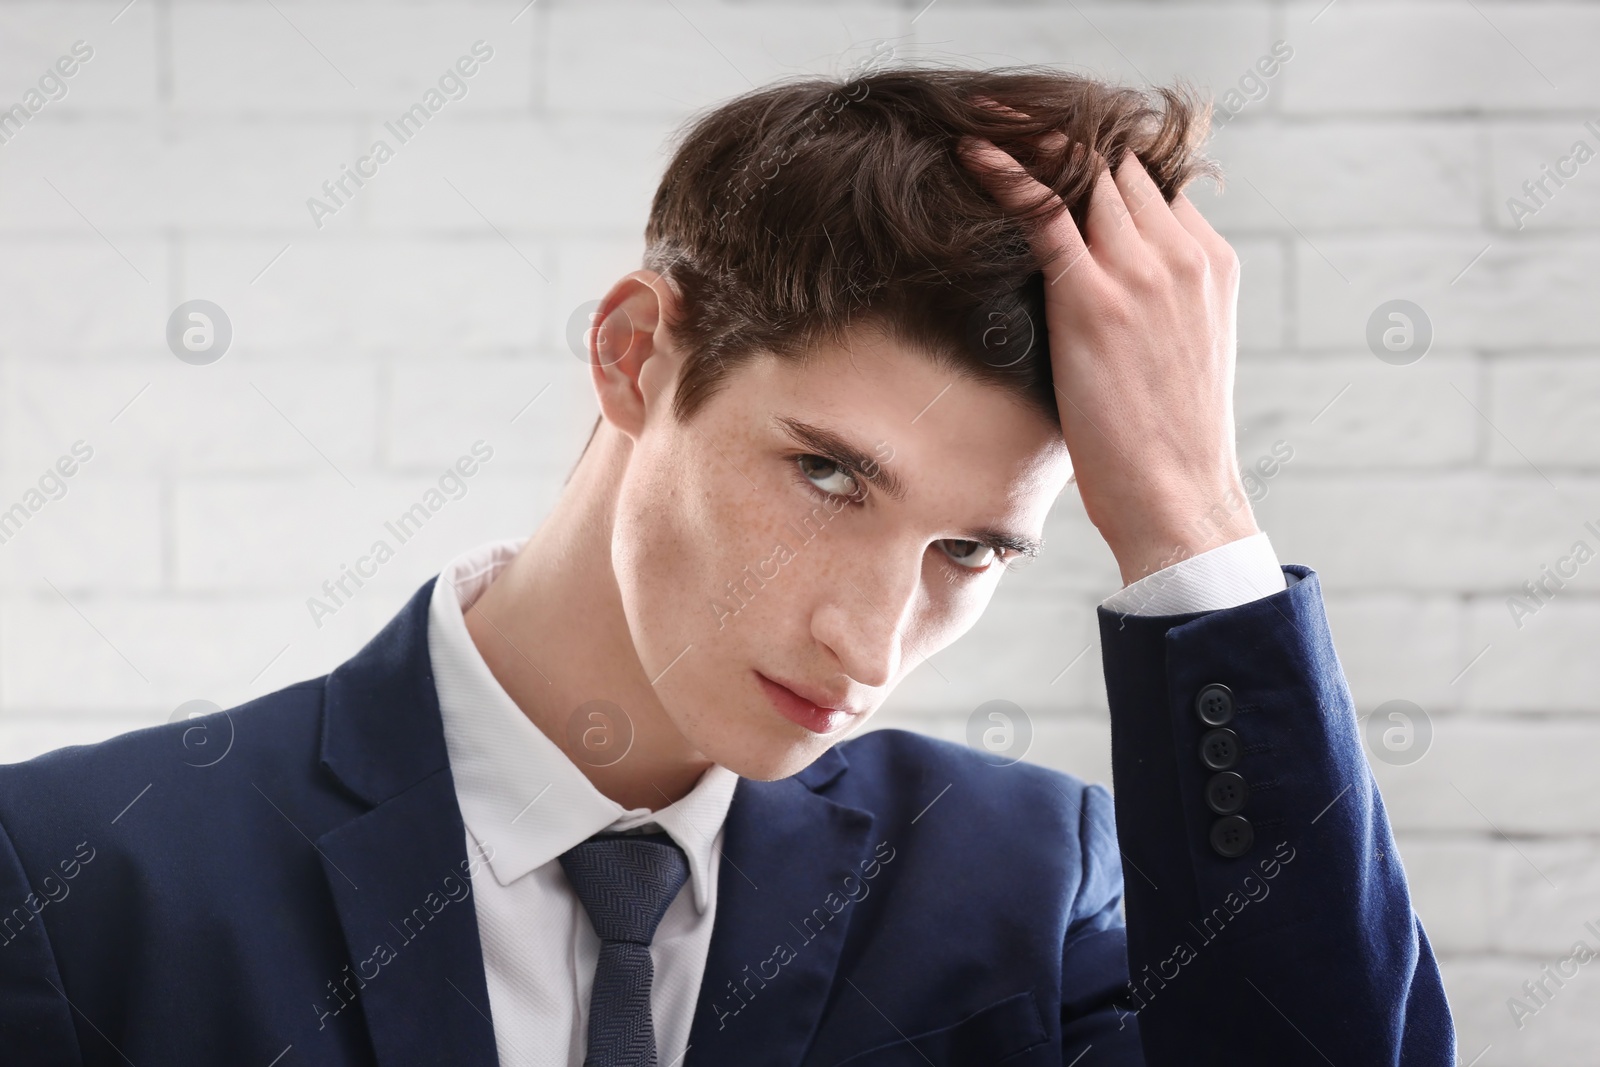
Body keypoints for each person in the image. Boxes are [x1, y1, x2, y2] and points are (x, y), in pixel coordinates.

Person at [0, 67, 1452, 1065]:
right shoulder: (80, 883)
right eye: (828, 476)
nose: (871, 643)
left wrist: (1193, 522)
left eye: (973, 550)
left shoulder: (1029, 893)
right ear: (636, 356)